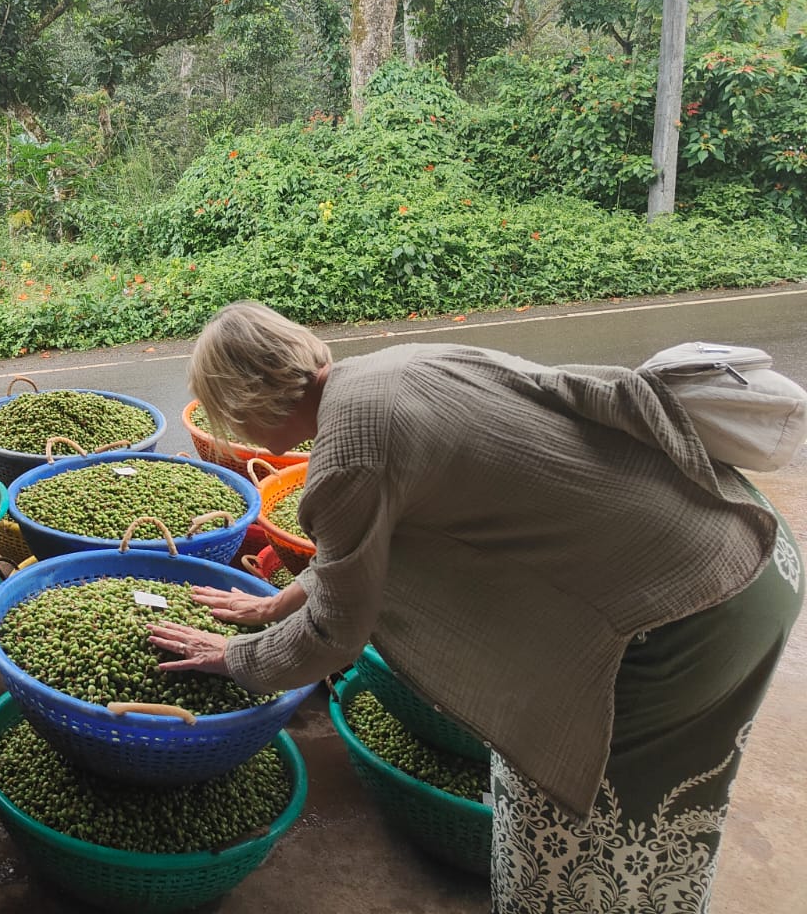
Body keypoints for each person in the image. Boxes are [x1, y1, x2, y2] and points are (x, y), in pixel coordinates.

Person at [148, 300, 801, 914]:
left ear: (248, 401)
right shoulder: (390, 369)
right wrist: (279, 603)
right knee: (669, 811)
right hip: (749, 544)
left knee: (589, 835)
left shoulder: (348, 450)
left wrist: (234, 657)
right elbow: (364, 550)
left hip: (680, 613)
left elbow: (334, 638)